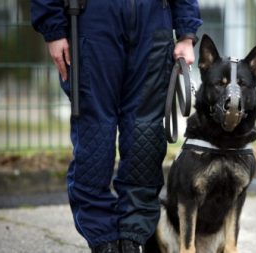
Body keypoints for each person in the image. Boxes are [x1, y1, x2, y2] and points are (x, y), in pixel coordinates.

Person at [31, 0, 202, 252]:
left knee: (145, 135)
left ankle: (134, 233)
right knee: (94, 135)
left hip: (153, 22)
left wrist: (186, 34)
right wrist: (54, 30)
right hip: (93, 20)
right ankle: (103, 238)